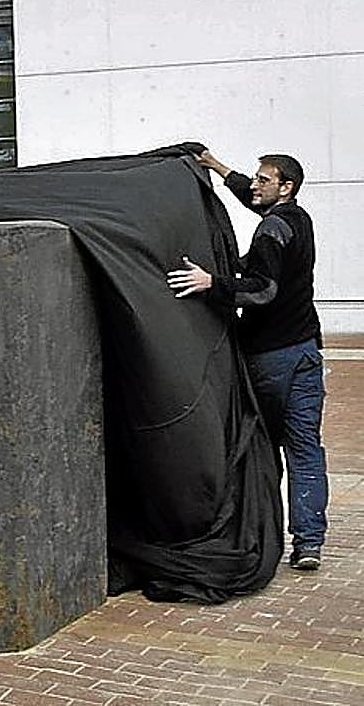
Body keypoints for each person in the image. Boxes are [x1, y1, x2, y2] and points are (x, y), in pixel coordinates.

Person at [167, 150, 327, 571]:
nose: (254, 186)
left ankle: (261, 531)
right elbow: (252, 202)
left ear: (285, 187)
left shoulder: (272, 229)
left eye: (263, 180)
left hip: (271, 358)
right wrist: (220, 168)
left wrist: (211, 283)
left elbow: (262, 290)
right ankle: (309, 542)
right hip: (306, 351)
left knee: (259, 448)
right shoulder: (298, 219)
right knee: (305, 448)